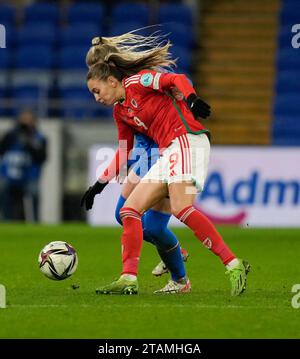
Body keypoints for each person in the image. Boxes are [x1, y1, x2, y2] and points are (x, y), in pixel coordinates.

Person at [81, 32, 250, 296]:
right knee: (129, 211)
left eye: (97, 91)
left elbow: (177, 79)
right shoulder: (121, 111)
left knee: (182, 208)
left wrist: (191, 98)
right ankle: (129, 279)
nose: (96, 98)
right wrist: (99, 184)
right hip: (168, 151)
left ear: (112, 81)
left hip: (185, 141)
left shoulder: (140, 81)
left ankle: (232, 263)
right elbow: (125, 150)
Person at [0, 109, 47, 221]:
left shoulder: (39, 138)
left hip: (30, 176)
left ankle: (35, 221)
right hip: (9, 175)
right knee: (3, 191)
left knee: (34, 194)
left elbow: (42, 157)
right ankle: (7, 220)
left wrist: (29, 143)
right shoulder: (11, 136)